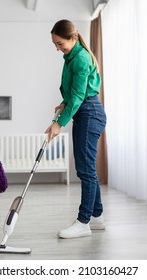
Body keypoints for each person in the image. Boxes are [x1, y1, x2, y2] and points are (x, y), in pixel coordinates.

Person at [46, 19, 107, 239]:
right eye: (55, 43)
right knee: (87, 168)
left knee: (85, 170)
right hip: (84, 112)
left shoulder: (80, 58)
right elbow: (75, 91)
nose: (57, 48)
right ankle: (97, 216)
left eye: (60, 43)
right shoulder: (71, 56)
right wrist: (64, 103)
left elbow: (81, 96)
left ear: (72, 38)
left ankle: (83, 222)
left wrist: (58, 123)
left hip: (89, 113)